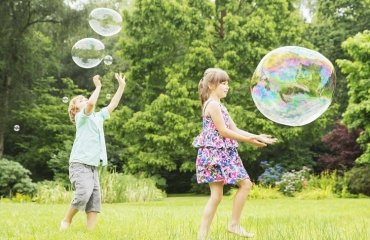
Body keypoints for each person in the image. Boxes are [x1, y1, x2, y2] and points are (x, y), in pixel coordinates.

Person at [193, 68, 277, 239]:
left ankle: (203, 235)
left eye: (227, 83)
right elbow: (224, 131)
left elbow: (234, 128)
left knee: (217, 196)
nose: (227, 87)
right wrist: (249, 140)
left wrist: (256, 136)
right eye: (223, 83)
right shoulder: (213, 105)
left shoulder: (218, 105)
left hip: (221, 153)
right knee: (244, 185)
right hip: (216, 154)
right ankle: (233, 225)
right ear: (211, 85)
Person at [60, 73, 126, 231]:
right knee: (83, 193)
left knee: (94, 199)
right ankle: (67, 220)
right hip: (79, 164)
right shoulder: (81, 118)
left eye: (84, 98)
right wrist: (98, 86)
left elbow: (113, 104)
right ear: (75, 109)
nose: (85, 100)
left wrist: (121, 86)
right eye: (80, 100)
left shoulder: (98, 117)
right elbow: (90, 104)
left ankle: (90, 232)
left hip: (93, 165)